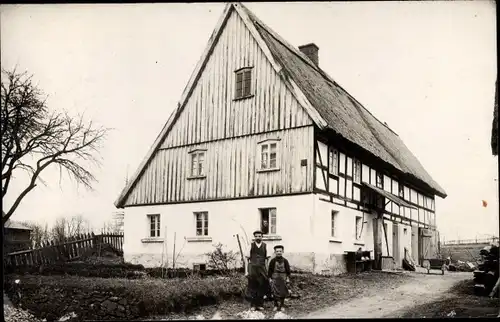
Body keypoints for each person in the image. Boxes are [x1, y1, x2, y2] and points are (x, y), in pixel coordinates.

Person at [246, 230, 269, 311]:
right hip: (252, 268)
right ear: (254, 237)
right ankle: (253, 305)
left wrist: (267, 271)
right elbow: (247, 260)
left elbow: (266, 260)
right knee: (252, 286)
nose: (258, 237)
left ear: (262, 237)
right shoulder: (251, 246)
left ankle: (260, 304)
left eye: (259, 236)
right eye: (256, 236)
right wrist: (246, 271)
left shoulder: (265, 246)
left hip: (262, 269)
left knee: (261, 286)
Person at [268, 245, 291, 312]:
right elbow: (270, 270)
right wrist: (270, 278)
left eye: (280, 251)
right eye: (277, 251)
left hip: (283, 278)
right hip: (275, 277)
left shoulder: (285, 261)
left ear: (282, 251)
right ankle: (275, 305)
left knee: (283, 292)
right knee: (275, 292)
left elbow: (288, 271)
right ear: (275, 252)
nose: (279, 252)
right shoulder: (272, 261)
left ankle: (282, 305)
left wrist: (288, 278)